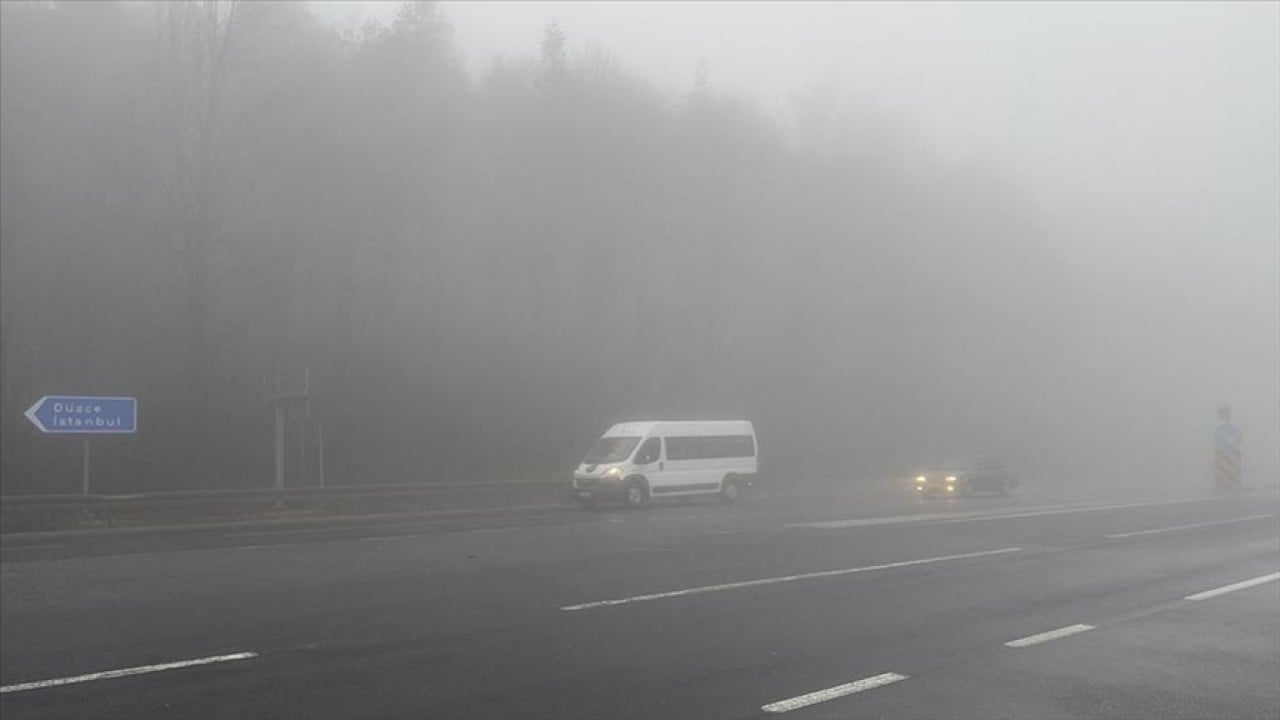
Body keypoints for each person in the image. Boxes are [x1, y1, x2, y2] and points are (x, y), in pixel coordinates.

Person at [1214, 405, 1243, 489]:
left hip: (1232, 451)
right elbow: (1217, 438)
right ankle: (1223, 482)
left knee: (1233, 467)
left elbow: (1239, 436)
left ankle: (1233, 481)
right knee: (1222, 467)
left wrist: (1231, 444)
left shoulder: (1233, 426)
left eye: (1225, 412)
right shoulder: (1218, 426)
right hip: (1223, 451)